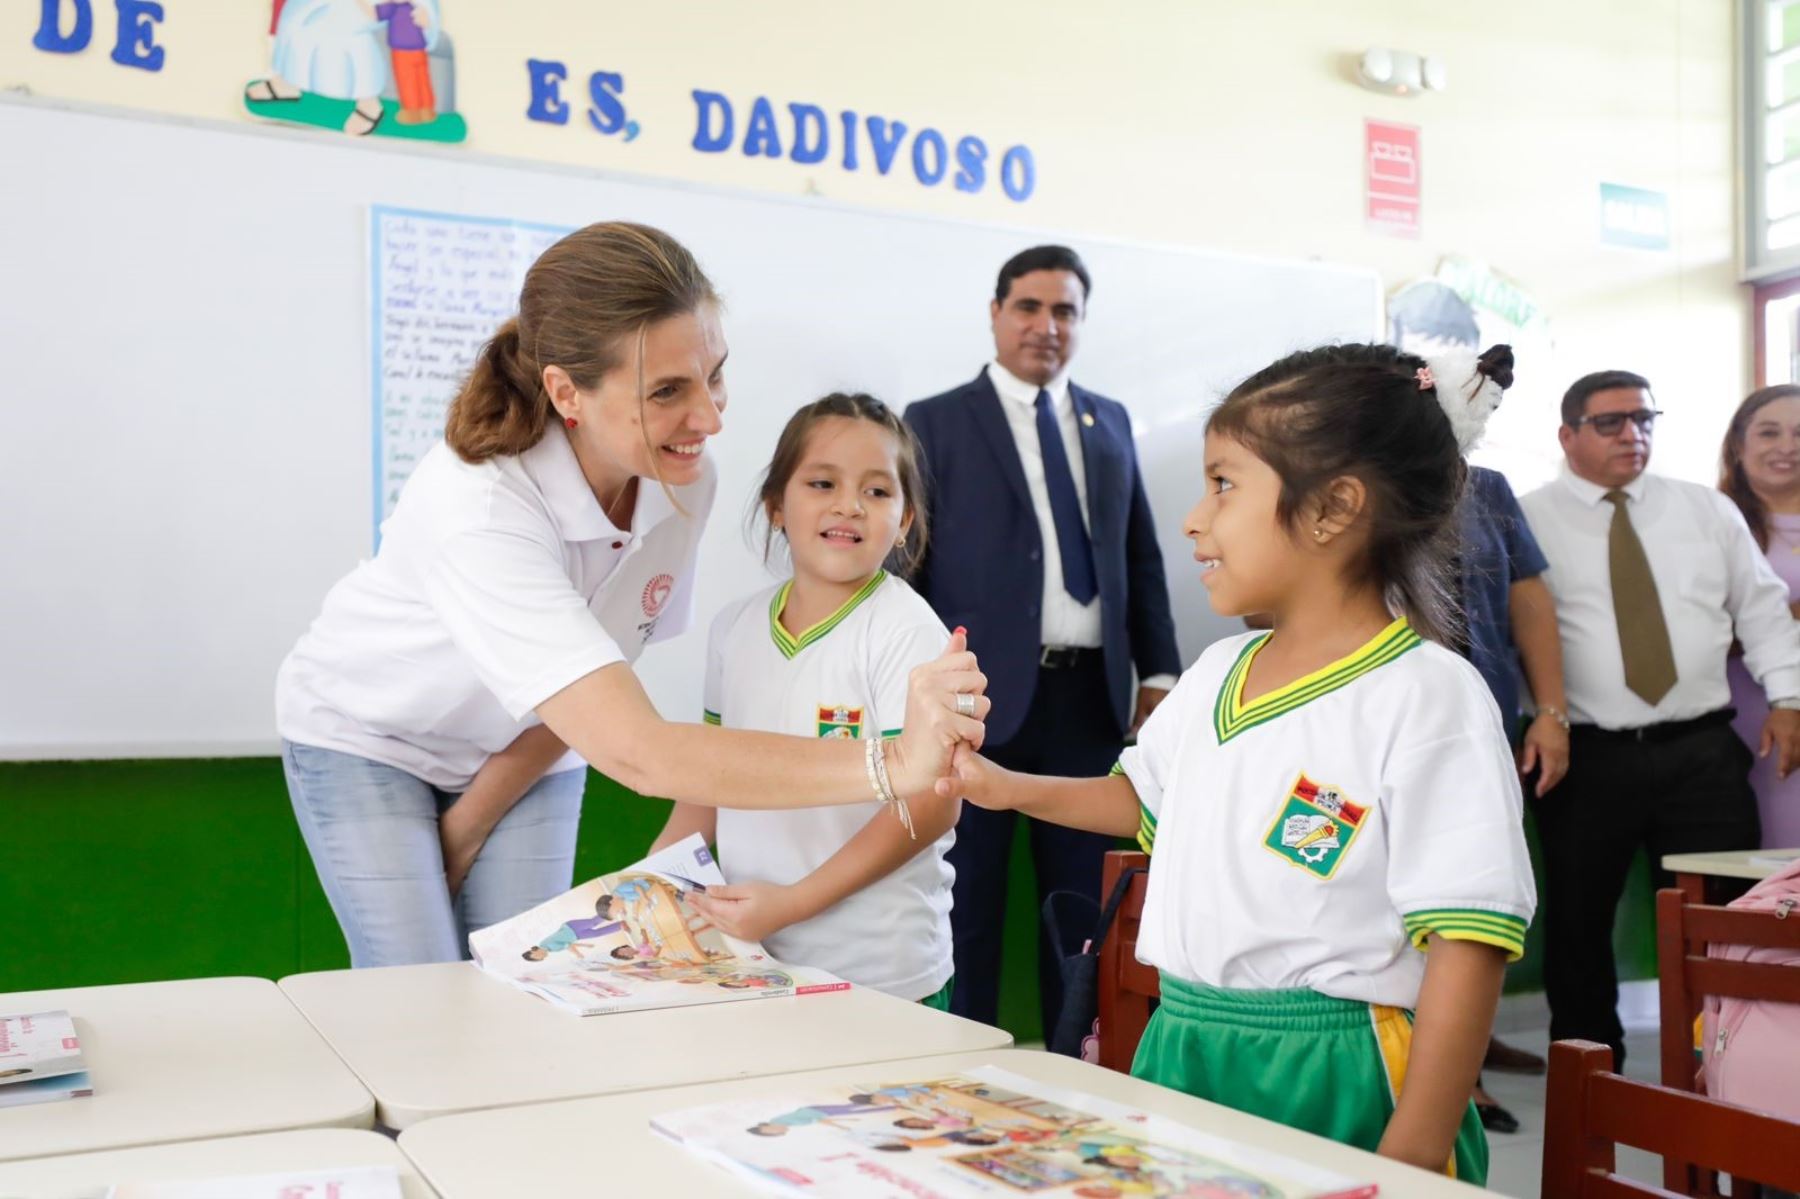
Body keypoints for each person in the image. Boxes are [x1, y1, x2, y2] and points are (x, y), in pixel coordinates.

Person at [275, 222, 988, 969]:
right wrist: (893, 763)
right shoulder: (480, 509)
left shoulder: (683, 478)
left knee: (525, 979)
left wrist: (470, 825)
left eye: (714, 374)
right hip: (374, 737)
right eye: (668, 392)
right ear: (565, 391)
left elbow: (591, 693)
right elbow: (642, 755)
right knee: (416, 983)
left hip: (531, 739)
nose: (710, 419)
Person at [937, 343, 1537, 1184]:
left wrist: (1409, 1159)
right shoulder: (1221, 670)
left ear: (1332, 508)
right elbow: (1140, 800)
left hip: (1335, 1070)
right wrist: (997, 785)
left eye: (1223, 483)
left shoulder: (1429, 695)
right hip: (1183, 1046)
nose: (1193, 517)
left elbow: (1470, 942)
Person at [905, 245, 1181, 1034]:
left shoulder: (1111, 420)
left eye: (1064, 310)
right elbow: (909, 570)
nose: (1045, 325)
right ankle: (961, 1065)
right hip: (974, 703)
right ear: (996, 314)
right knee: (968, 905)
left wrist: (1158, 670)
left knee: (1082, 913)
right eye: (1028, 306)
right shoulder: (933, 421)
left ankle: (1075, 1069)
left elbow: (1140, 556)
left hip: (1089, 704)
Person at [1519, 370, 1800, 1067]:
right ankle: (1592, 1069)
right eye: (1610, 422)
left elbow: (1762, 609)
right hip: (1587, 754)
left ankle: (1737, 1059)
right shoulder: (1526, 519)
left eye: (1644, 419)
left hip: (1701, 746)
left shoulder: (1704, 510)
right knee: (1581, 922)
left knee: (1730, 916)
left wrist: (1790, 699)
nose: (1632, 434)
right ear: (1568, 434)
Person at [645, 394, 958, 1006]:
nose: (848, 505)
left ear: (905, 520)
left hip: (879, 973)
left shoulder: (907, 630)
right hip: (753, 960)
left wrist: (792, 904)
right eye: (822, 482)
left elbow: (933, 806)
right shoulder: (733, 628)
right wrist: (650, 884)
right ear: (776, 505)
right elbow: (706, 787)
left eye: (876, 492)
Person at [1719, 384, 1800, 848]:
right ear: (1739, 443)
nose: (1787, 447)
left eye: (1798, 433)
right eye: (1770, 433)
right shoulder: (1712, 518)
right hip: (1743, 709)